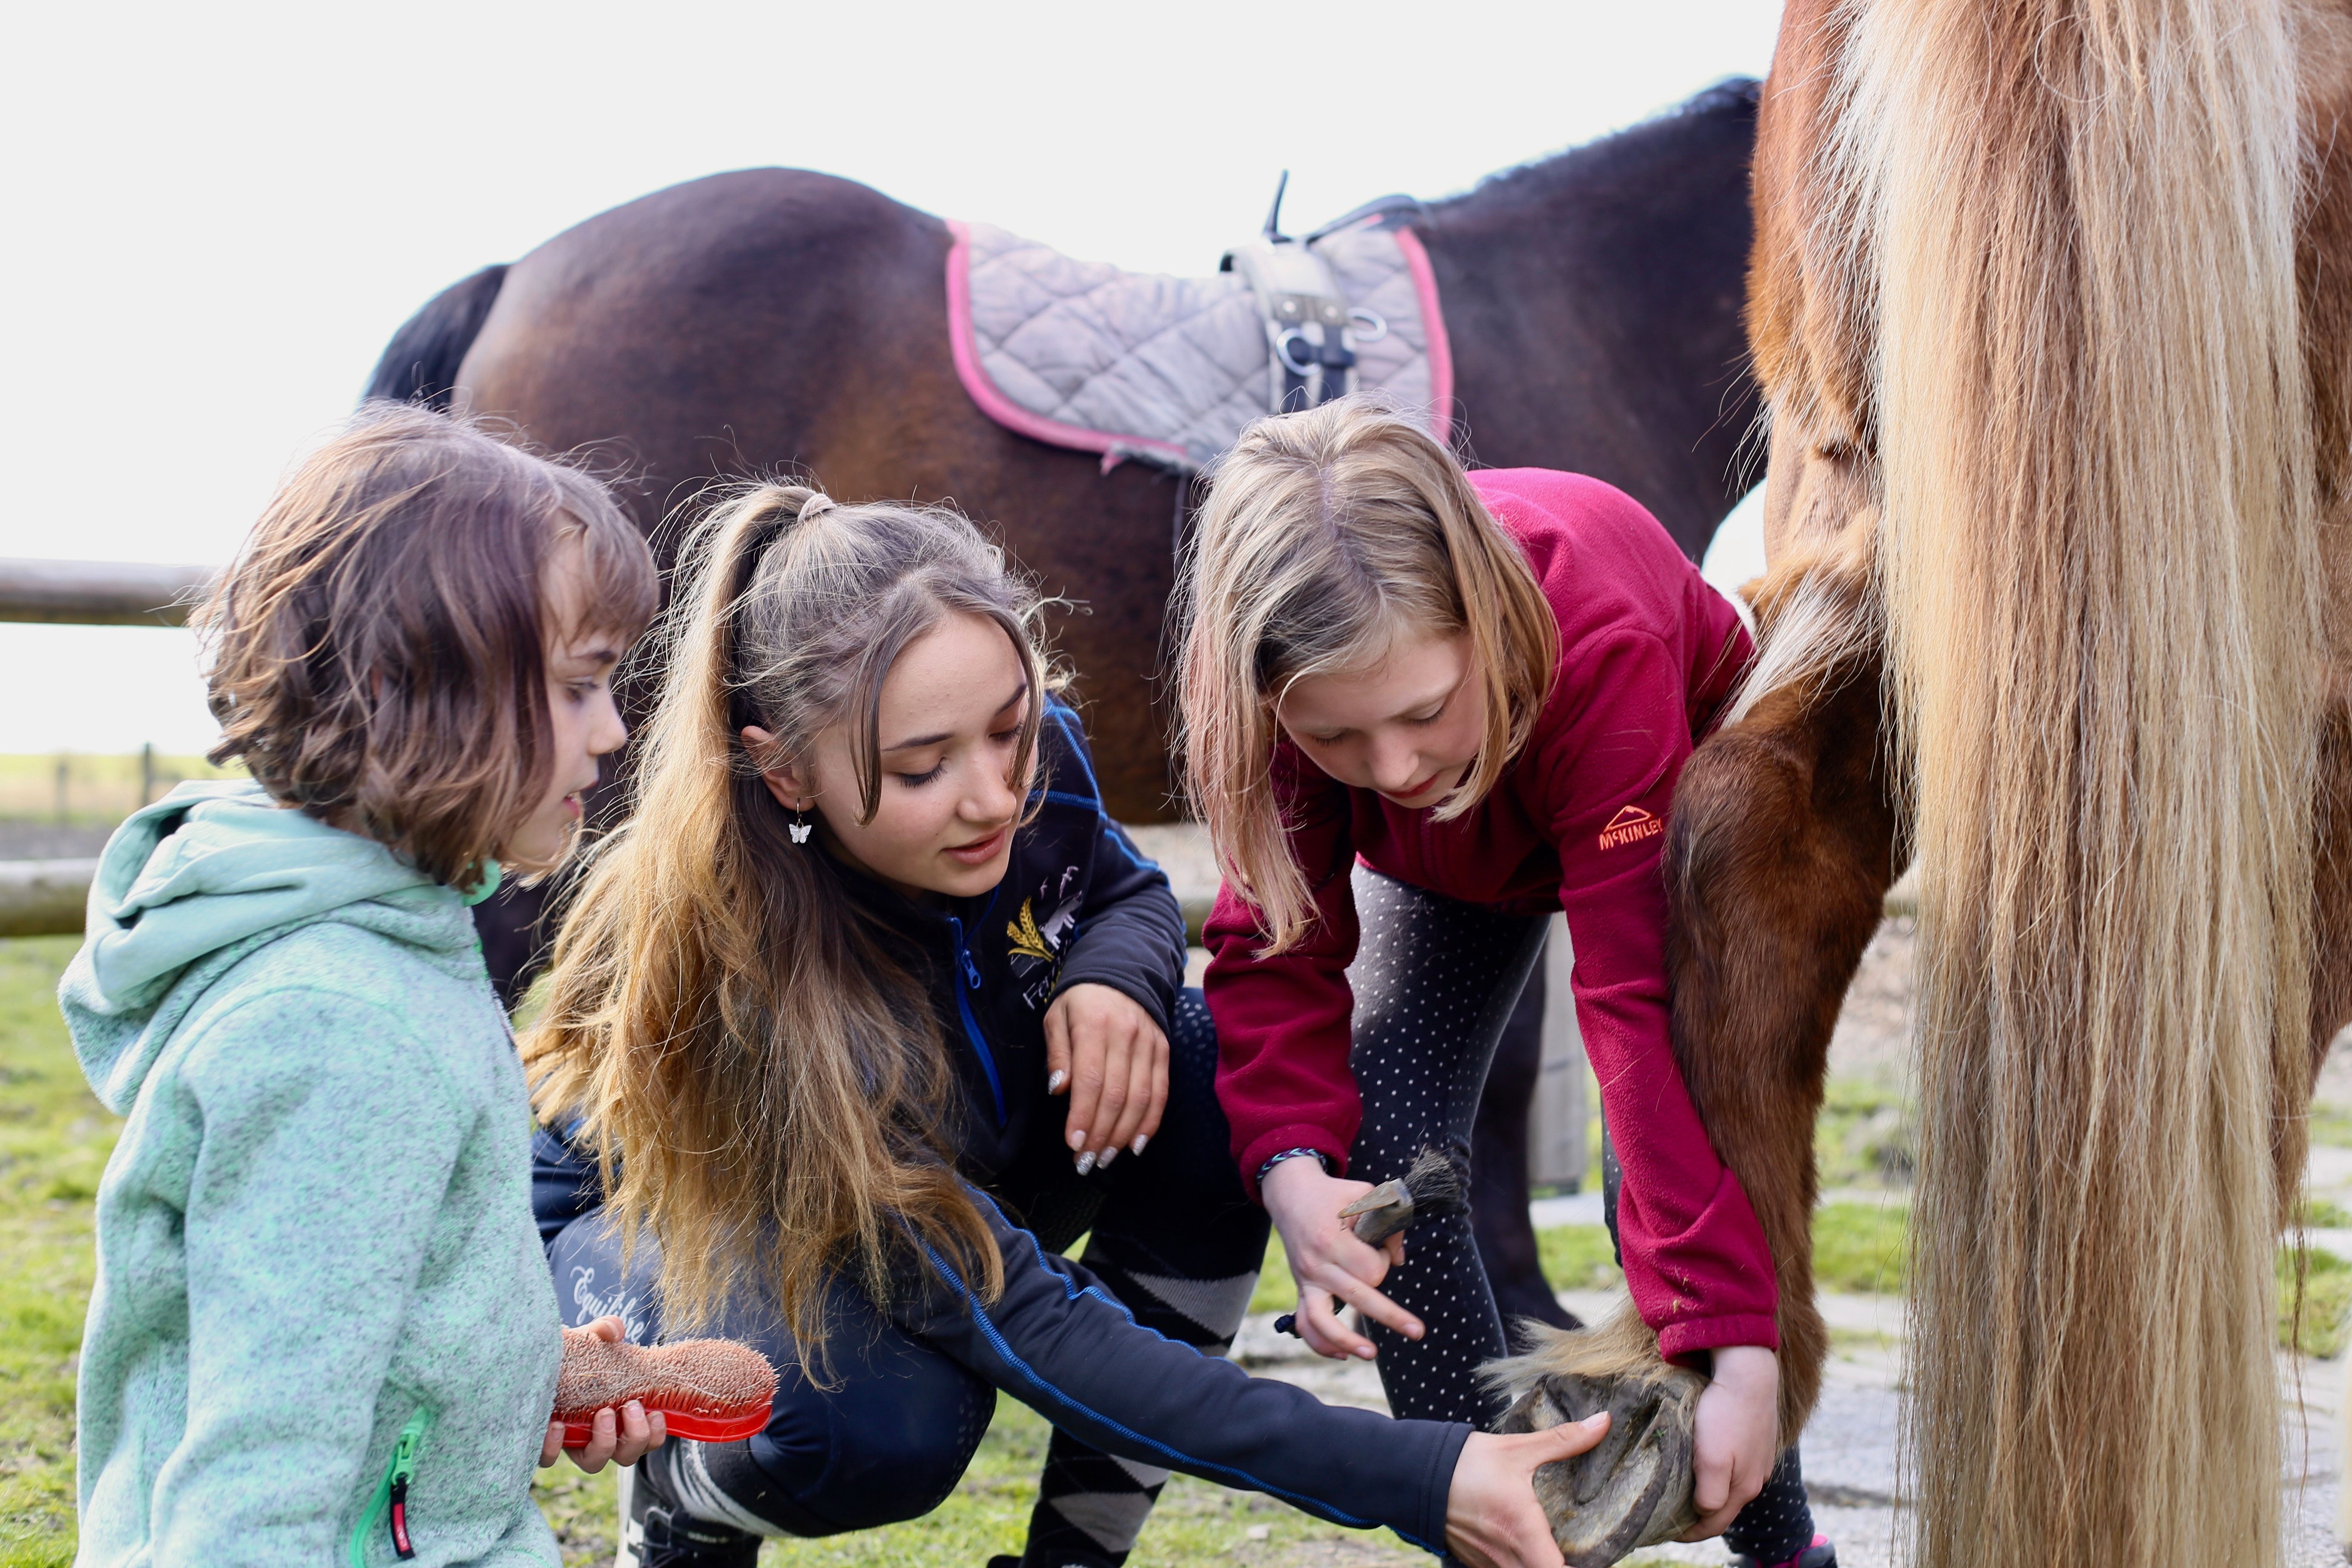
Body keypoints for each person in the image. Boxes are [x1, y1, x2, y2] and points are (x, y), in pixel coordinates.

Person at [522, 484, 1605, 1568]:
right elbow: (1031, 1325)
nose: (995, 797)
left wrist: (1112, 979)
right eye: (922, 769)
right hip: (646, 1231)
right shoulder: (763, 977)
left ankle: (1074, 1561)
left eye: (1010, 732)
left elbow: (1124, 891)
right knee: (878, 1425)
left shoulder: (1036, 777)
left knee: (1203, 1058)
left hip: (944, 1163)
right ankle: (688, 1504)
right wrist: (1419, 1475)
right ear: (788, 771)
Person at [1176, 396, 1834, 1568]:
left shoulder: (1599, 635)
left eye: (1422, 711)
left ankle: (1785, 1549)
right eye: (1337, 740)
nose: (1393, 768)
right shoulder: (1286, 692)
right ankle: (1493, 1535)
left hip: (1668, 800)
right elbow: (1275, 937)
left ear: (1480, 618)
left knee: (1680, 1152)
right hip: (1457, 862)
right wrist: (1293, 1177)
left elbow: (1635, 1005)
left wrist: (1736, 1346)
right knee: (1388, 1135)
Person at [60, 404, 670, 1568]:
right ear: (401, 686)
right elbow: (260, 1470)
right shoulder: (343, 1029)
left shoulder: (394, 941)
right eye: (579, 686)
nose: (613, 732)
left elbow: (358, 1303)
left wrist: (510, 1376)